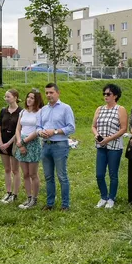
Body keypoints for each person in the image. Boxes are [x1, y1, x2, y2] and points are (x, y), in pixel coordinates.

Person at [37, 83, 76, 211]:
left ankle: (65, 205)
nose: (48, 95)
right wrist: (40, 132)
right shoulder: (43, 109)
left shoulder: (66, 108)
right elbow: (38, 126)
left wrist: (54, 131)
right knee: (48, 177)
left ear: (58, 93)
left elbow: (71, 127)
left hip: (60, 145)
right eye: (46, 93)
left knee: (62, 176)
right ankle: (50, 203)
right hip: (46, 146)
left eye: (51, 92)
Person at [91, 83, 128, 209]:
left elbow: (123, 129)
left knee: (113, 174)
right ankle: (103, 196)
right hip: (101, 146)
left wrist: (108, 139)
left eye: (108, 94)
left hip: (114, 147)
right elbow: (93, 126)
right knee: (99, 174)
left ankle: (111, 198)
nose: (105, 96)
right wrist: (96, 135)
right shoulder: (99, 109)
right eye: (104, 94)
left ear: (115, 96)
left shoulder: (120, 109)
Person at [14, 89, 44, 209]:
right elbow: (18, 128)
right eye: (28, 97)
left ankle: (35, 199)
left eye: (32, 98)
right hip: (21, 142)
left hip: (32, 143)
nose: (29, 99)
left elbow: (38, 130)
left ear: (37, 100)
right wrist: (19, 143)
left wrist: (24, 142)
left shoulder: (40, 113)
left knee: (33, 173)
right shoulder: (23, 112)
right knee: (25, 173)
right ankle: (28, 197)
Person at [0, 89, 22, 203]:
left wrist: (9, 143)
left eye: (8, 96)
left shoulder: (21, 112)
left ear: (15, 97)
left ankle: (15, 194)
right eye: (5, 97)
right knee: (7, 169)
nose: (6, 99)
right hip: (3, 142)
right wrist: (1, 142)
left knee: (15, 170)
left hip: (14, 142)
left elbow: (19, 130)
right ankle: (8, 192)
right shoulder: (3, 111)